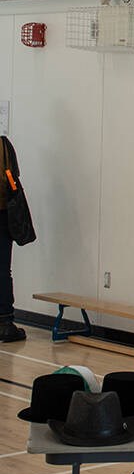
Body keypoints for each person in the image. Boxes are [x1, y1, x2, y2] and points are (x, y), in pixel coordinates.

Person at [0, 136, 26, 343]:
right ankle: (6, 323)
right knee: (2, 270)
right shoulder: (4, 145)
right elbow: (14, 179)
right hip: (3, 214)